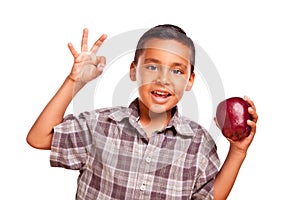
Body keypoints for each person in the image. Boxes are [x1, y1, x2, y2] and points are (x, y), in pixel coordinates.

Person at [27, 24, 258, 200]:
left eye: (177, 71)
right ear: (133, 71)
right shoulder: (100, 124)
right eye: (152, 66)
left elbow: (209, 196)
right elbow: (38, 138)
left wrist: (237, 151)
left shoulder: (198, 142)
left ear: (190, 80)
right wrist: (74, 81)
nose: (163, 79)